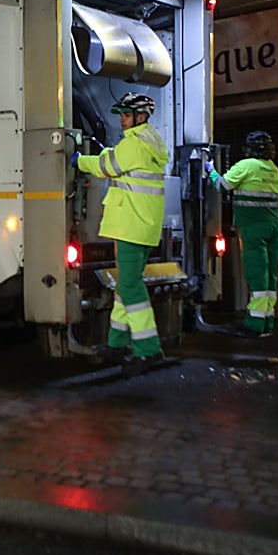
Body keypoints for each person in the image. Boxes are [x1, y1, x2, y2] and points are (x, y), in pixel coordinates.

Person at [71, 92, 168, 375]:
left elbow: (105, 166)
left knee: (129, 288)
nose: (122, 120)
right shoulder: (151, 143)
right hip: (143, 227)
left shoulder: (134, 145)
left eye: (126, 115)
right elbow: (117, 162)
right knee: (125, 286)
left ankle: (148, 350)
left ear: (141, 117)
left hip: (129, 226)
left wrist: (79, 160)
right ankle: (116, 343)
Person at [206, 131, 278, 338]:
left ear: (250, 148)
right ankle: (267, 320)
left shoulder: (247, 165)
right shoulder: (273, 169)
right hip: (274, 227)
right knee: (270, 277)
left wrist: (210, 170)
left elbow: (222, 186)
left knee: (257, 275)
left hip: (253, 227)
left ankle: (254, 324)